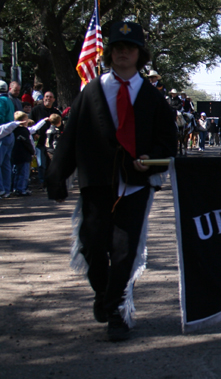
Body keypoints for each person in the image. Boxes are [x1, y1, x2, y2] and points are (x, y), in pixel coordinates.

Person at [45, 20, 176, 341]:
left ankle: (116, 309)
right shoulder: (92, 91)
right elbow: (71, 135)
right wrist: (56, 175)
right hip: (97, 181)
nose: (123, 54)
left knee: (123, 249)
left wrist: (151, 160)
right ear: (109, 53)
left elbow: (168, 144)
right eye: (117, 48)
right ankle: (102, 291)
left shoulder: (153, 97)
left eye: (129, 49)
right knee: (92, 244)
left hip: (135, 183)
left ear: (139, 54)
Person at [30, 91, 61, 188]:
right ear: (43, 98)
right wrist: (34, 133)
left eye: (51, 97)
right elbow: (30, 122)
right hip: (40, 141)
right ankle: (41, 181)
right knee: (41, 163)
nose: (48, 98)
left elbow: (61, 126)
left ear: (54, 99)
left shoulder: (56, 112)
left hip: (52, 143)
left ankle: (50, 181)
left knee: (51, 163)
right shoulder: (36, 110)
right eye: (47, 96)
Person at [10, 111, 36, 195]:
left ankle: (15, 188)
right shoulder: (24, 131)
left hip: (14, 154)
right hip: (24, 155)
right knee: (24, 173)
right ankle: (21, 189)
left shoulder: (12, 130)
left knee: (16, 172)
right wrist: (32, 152)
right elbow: (27, 143)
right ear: (24, 120)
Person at [0, 81, 18, 197]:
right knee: (6, 164)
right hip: (10, 135)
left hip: (2, 134)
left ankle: (1, 188)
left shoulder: (1, 100)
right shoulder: (10, 100)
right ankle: (6, 189)